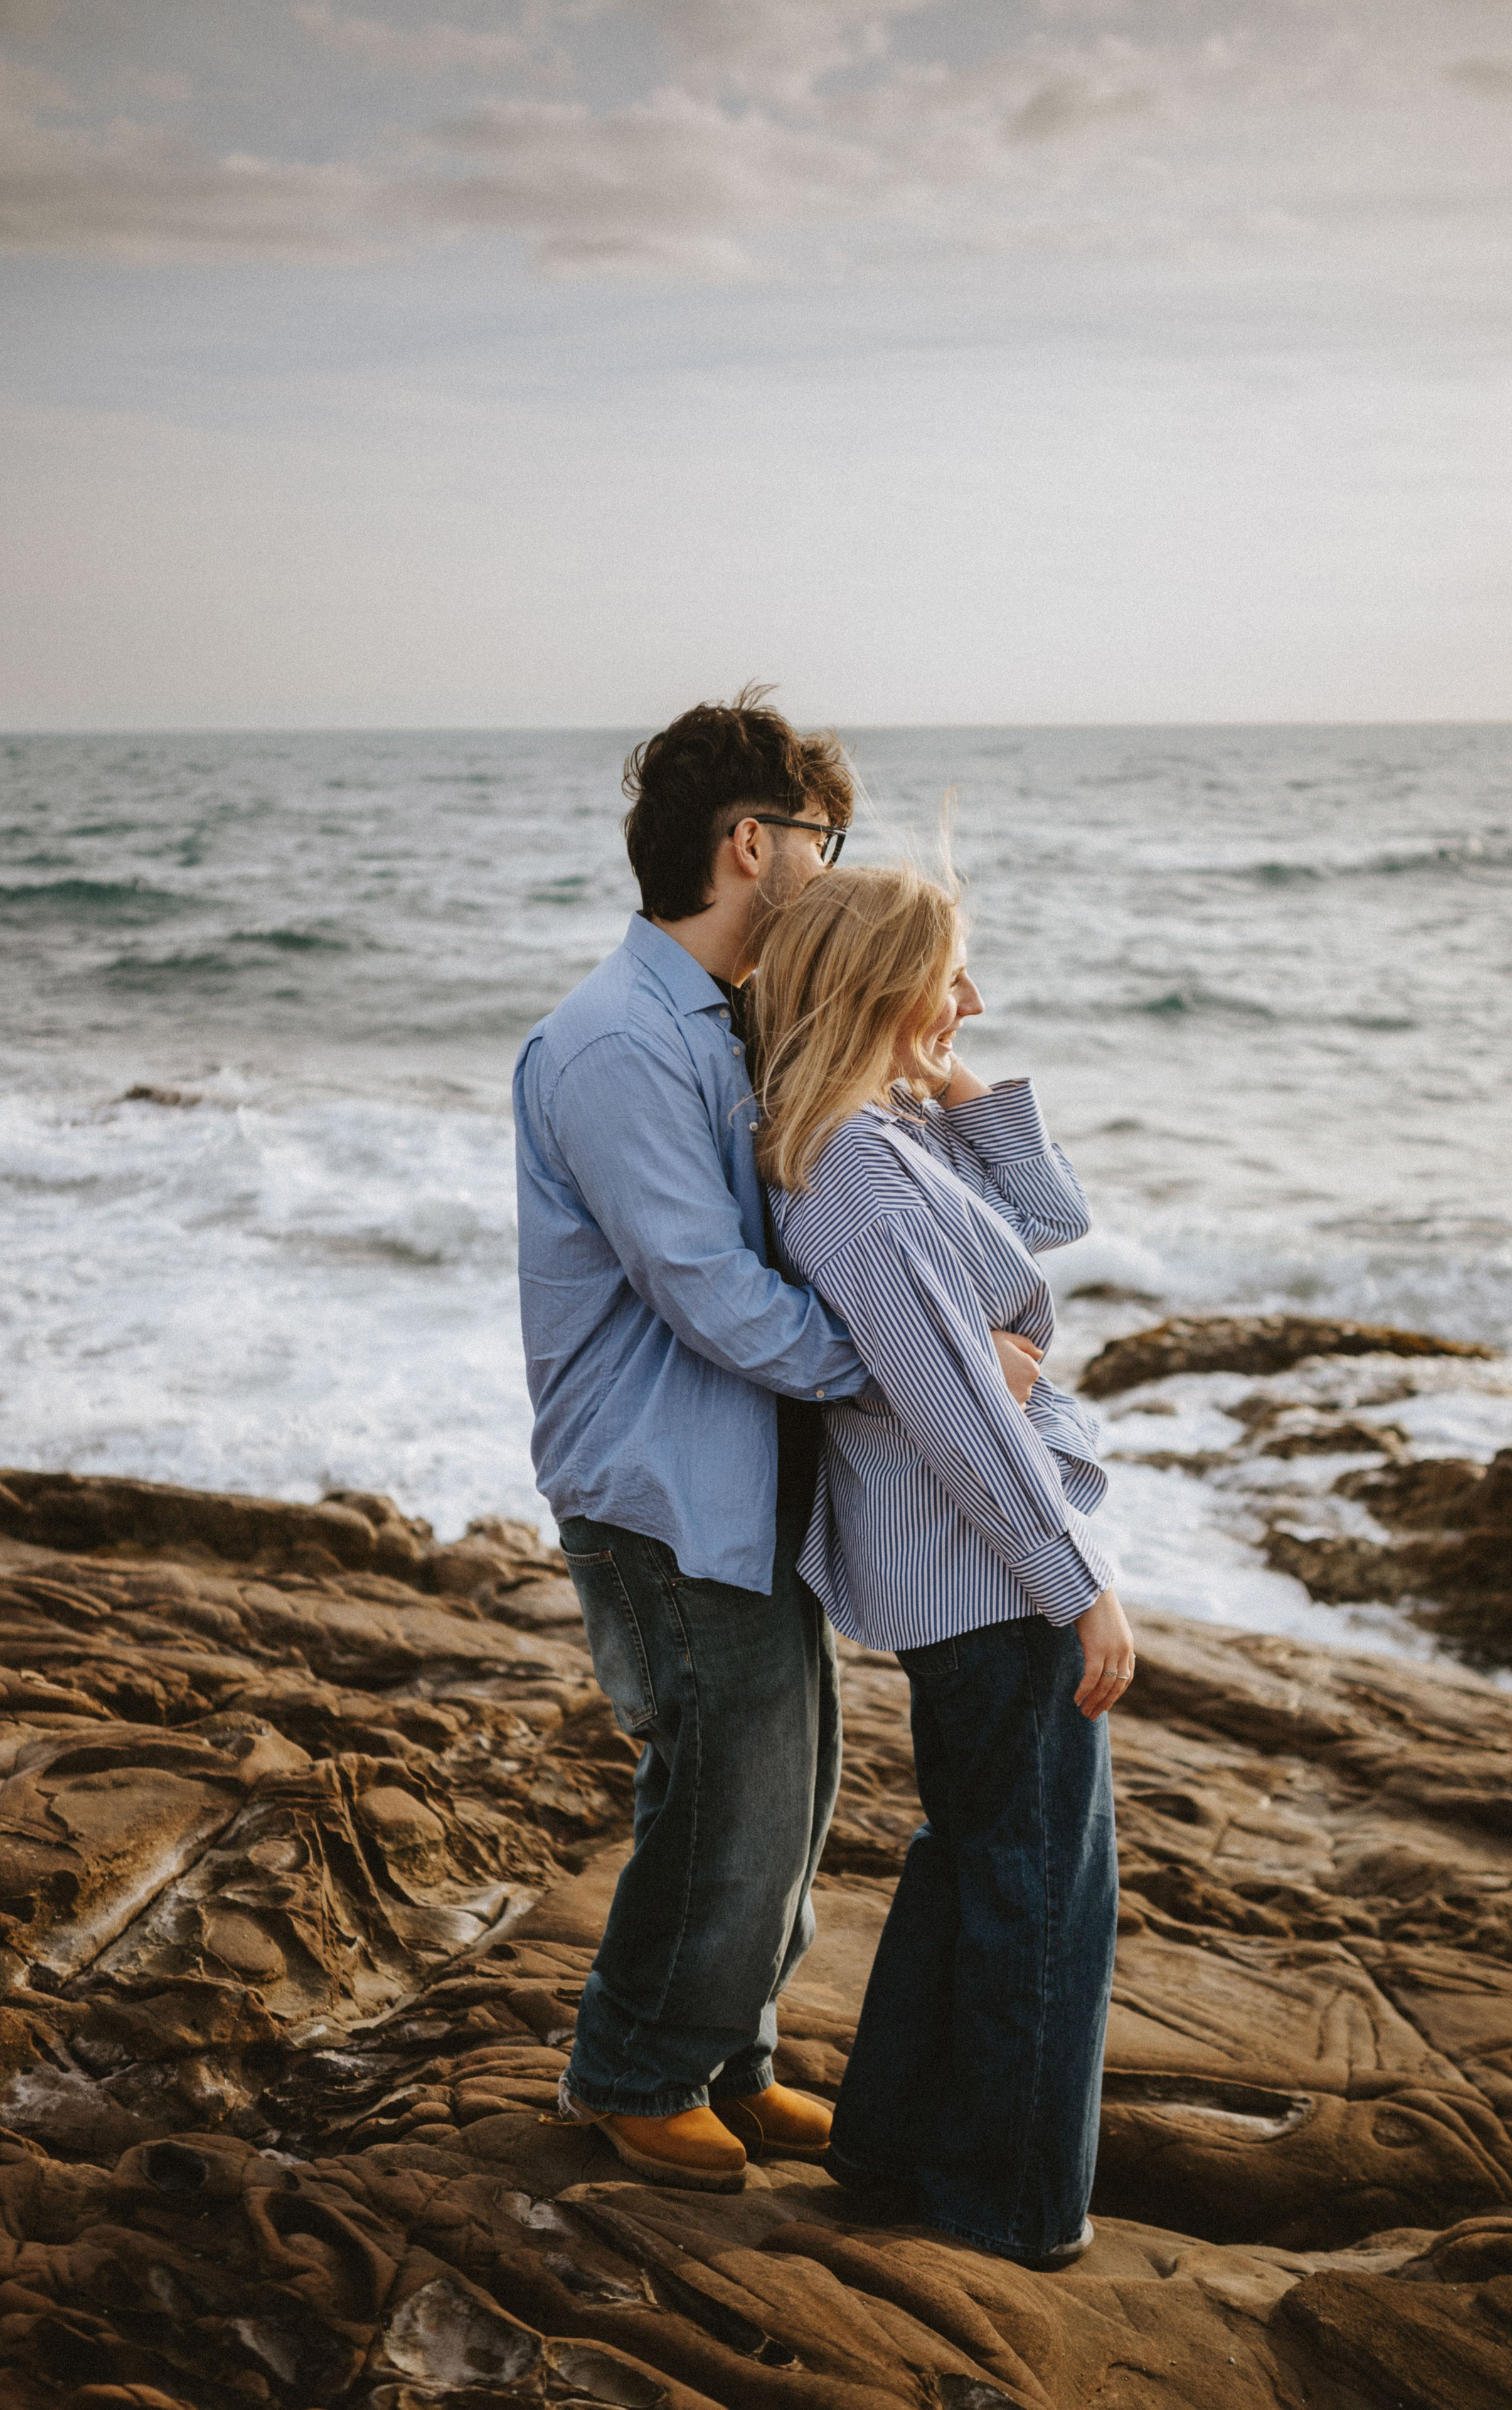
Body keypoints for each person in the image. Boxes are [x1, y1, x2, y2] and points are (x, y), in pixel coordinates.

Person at [512, 691, 1045, 2194]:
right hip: (663, 1481)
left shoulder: (736, 1022)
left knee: (788, 1780)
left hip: (749, 1474)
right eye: (825, 839)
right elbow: (709, 1292)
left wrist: (944, 1079)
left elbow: (880, 1206)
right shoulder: (613, 1042)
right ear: (752, 843)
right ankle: (633, 2070)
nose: (833, 866)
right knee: (727, 1789)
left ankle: (725, 2056)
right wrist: (922, 1367)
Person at [755, 860, 1137, 2269]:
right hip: (985, 1572)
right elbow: (961, 1413)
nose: (969, 997)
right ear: (875, 988)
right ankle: (1004, 2203)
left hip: (963, 1570)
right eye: (946, 974)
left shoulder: (884, 1125)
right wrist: (1078, 1583)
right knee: (1045, 1885)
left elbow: (1049, 1213)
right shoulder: (856, 1169)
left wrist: (945, 1062)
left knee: (973, 1853)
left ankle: (893, 2146)